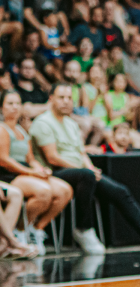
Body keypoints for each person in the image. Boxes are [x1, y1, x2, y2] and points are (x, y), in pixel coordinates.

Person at [29, 83, 140, 254]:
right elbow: (52, 158)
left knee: (119, 191)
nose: (66, 101)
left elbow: (81, 152)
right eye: (61, 98)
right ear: (51, 99)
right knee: (86, 176)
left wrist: (90, 167)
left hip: (81, 173)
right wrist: (86, 170)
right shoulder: (43, 122)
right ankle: (83, 229)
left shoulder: (71, 123)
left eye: (69, 98)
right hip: (54, 173)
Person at [0, 90, 73, 255]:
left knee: (64, 190)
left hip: (26, 171)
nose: (14, 107)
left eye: (17, 103)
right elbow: (4, 160)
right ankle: (19, 229)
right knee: (43, 192)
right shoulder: (2, 129)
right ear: (2, 107)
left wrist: (40, 169)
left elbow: (31, 158)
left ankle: (36, 228)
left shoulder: (22, 130)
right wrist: (31, 173)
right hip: (10, 174)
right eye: (10, 103)